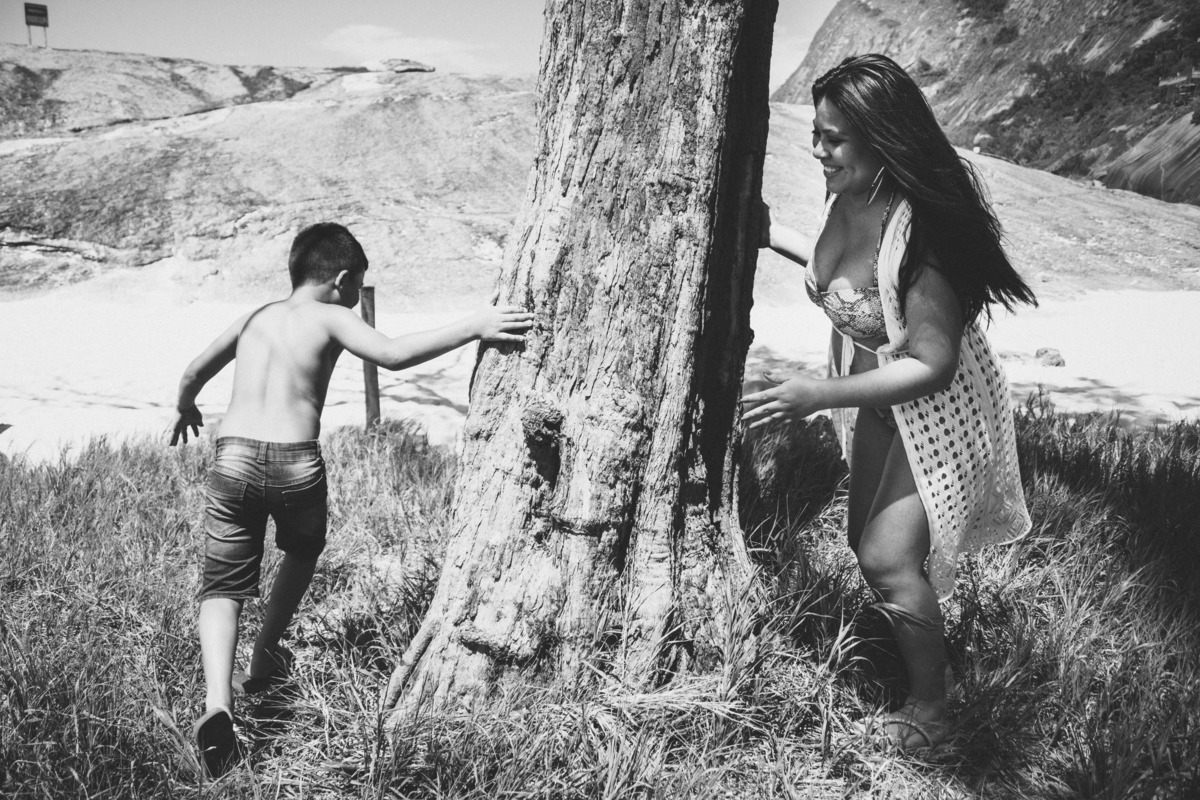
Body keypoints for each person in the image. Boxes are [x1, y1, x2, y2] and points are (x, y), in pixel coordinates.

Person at [741, 54, 1036, 750]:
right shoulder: (847, 196)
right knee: (863, 543)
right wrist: (767, 235)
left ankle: (933, 710)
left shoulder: (923, 233)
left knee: (885, 559)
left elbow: (933, 366)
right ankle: (928, 657)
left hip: (936, 410)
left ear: (882, 140)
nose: (818, 151)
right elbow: (846, 282)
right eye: (816, 134)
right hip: (876, 400)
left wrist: (816, 396)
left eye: (834, 139)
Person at [168, 222, 533, 778]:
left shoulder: (255, 317)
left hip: (233, 458)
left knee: (221, 586)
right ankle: (264, 656)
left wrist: (186, 406)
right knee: (302, 550)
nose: (356, 295)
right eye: (357, 285)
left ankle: (218, 704)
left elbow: (194, 370)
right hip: (295, 461)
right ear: (342, 280)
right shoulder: (332, 316)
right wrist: (475, 326)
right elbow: (393, 355)